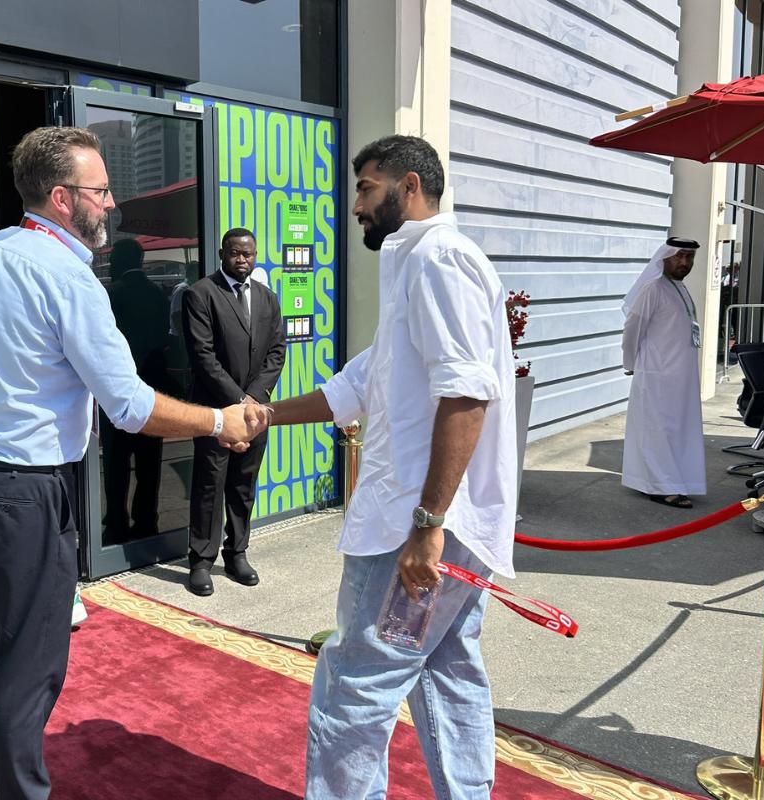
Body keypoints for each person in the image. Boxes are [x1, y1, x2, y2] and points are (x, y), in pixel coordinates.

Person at [0, 125, 268, 800]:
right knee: (31, 662)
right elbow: (127, 406)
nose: (112, 204)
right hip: (27, 486)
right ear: (62, 197)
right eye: (101, 190)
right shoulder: (67, 276)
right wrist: (217, 419)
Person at [267, 135, 516, 799]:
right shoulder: (417, 261)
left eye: (366, 190)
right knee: (446, 669)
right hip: (430, 522)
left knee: (353, 683)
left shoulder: (438, 257)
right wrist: (264, 416)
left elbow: (467, 393)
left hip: (413, 529)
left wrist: (428, 525)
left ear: (411, 186)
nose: (355, 207)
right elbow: (361, 383)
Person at [181, 227, 285, 596]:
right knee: (210, 485)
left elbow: (276, 352)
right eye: (236, 254)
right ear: (223, 253)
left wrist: (255, 399)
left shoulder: (268, 298)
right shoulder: (201, 294)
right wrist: (240, 402)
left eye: (249, 254)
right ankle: (201, 561)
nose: (243, 260)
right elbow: (203, 357)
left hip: (256, 412)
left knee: (244, 484)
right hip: (215, 410)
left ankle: (237, 552)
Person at [621, 236, 706, 508]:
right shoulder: (653, 288)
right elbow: (632, 328)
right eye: (679, 256)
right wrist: (630, 363)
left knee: (676, 431)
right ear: (665, 257)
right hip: (657, 374)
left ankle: (674, 480)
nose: (684, 262)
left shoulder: (679, 288)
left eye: (689, 257)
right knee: (658, 431)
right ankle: (662, 487)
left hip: (681, 378)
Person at [101, 238, 170, 544]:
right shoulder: (158, 293)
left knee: (117, 463)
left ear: (119, 261)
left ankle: (116, 521)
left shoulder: (110, 294)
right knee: (149, 462)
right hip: (151, 388)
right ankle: (147, 520)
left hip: (117, 390)